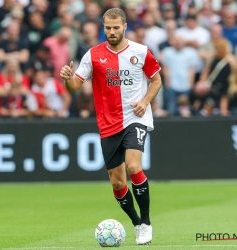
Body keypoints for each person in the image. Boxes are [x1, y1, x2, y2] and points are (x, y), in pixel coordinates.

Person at [60, 8, 161, 245]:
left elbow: (156, 80)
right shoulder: (93, 55)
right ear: (103, 27)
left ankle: (146, 222)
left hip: (136, 117)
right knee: (117, 182)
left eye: (116, 27)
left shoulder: (140, 52)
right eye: (108, 28)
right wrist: (67, 79)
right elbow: (75, 86)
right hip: (108, 123)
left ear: (125, 26)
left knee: (134, 165)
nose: (112, 32)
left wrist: (145, 102)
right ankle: (136, 223)